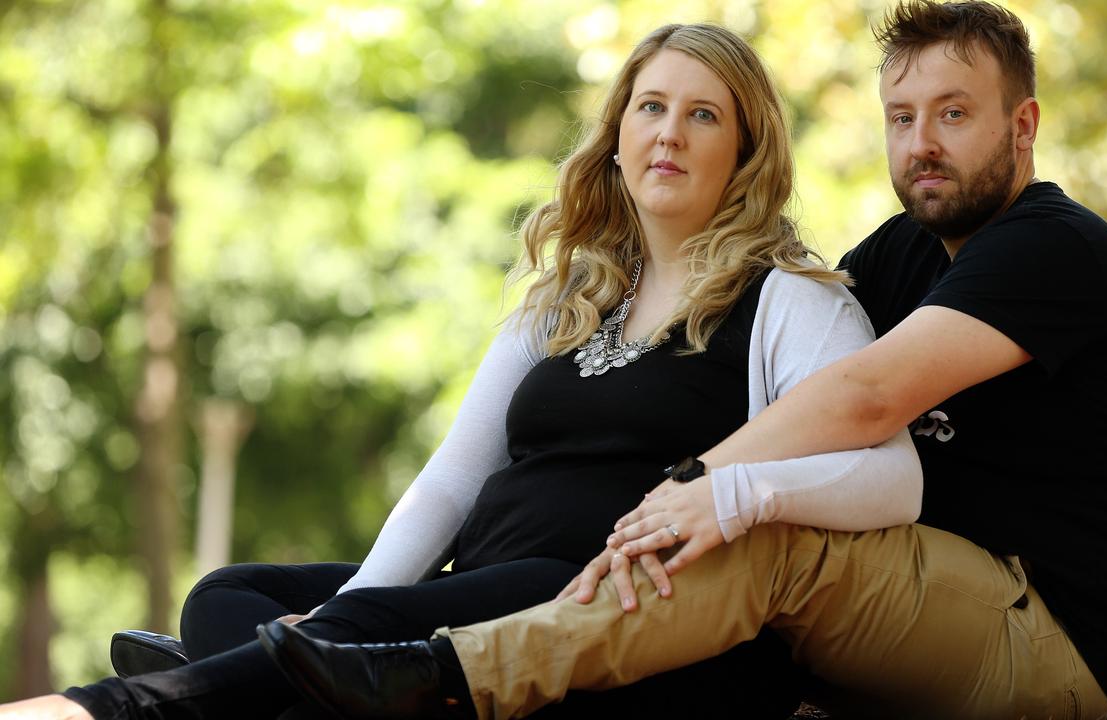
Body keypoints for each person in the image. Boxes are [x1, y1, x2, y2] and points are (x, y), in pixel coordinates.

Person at [254, 2, 1107, 719]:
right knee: (241, 598)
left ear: (1023, 127)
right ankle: (315, 664)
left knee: (761, 531)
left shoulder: (1054, 245)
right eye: (901, 117)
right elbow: (807, 363)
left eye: (953, 115)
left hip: (1052, 637)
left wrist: (696, 482)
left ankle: (452, 680)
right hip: (928, 587)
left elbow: (861, 397)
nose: (922, 144)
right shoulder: (901, 250)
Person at [0, 22, 924, 720]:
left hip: (609, 612)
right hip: (480, 581)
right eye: (651, 107)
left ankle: (111, 711)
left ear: (746, 151)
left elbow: (895, 479)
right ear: (616, 133)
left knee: (314, 636)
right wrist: (353, 616)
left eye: (702, 115)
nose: (669, 134)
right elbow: (452, 478)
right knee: (228, 596)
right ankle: (324, 685)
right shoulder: (570, 294)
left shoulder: (791, 301)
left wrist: (736, 498)